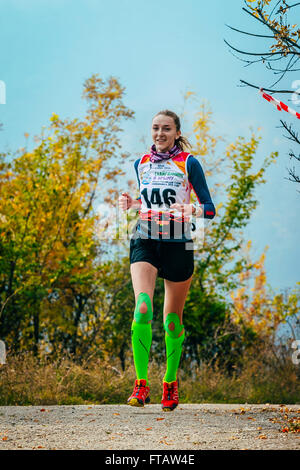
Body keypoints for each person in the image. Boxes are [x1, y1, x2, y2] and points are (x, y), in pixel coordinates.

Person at [118, 110, 215, 412]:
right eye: (155, 128)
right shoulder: (141, 164)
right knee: (142, 306)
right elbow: (147, 201)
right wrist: (130, 204)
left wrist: (193, 211)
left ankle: (170, 384)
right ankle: (141, 384)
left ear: (176, 132)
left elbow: (209, 208)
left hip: (178, 243)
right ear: (151, 131)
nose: (160, 133)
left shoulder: (189, 163)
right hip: (145, 239)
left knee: (172, 321)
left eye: (166, 129)